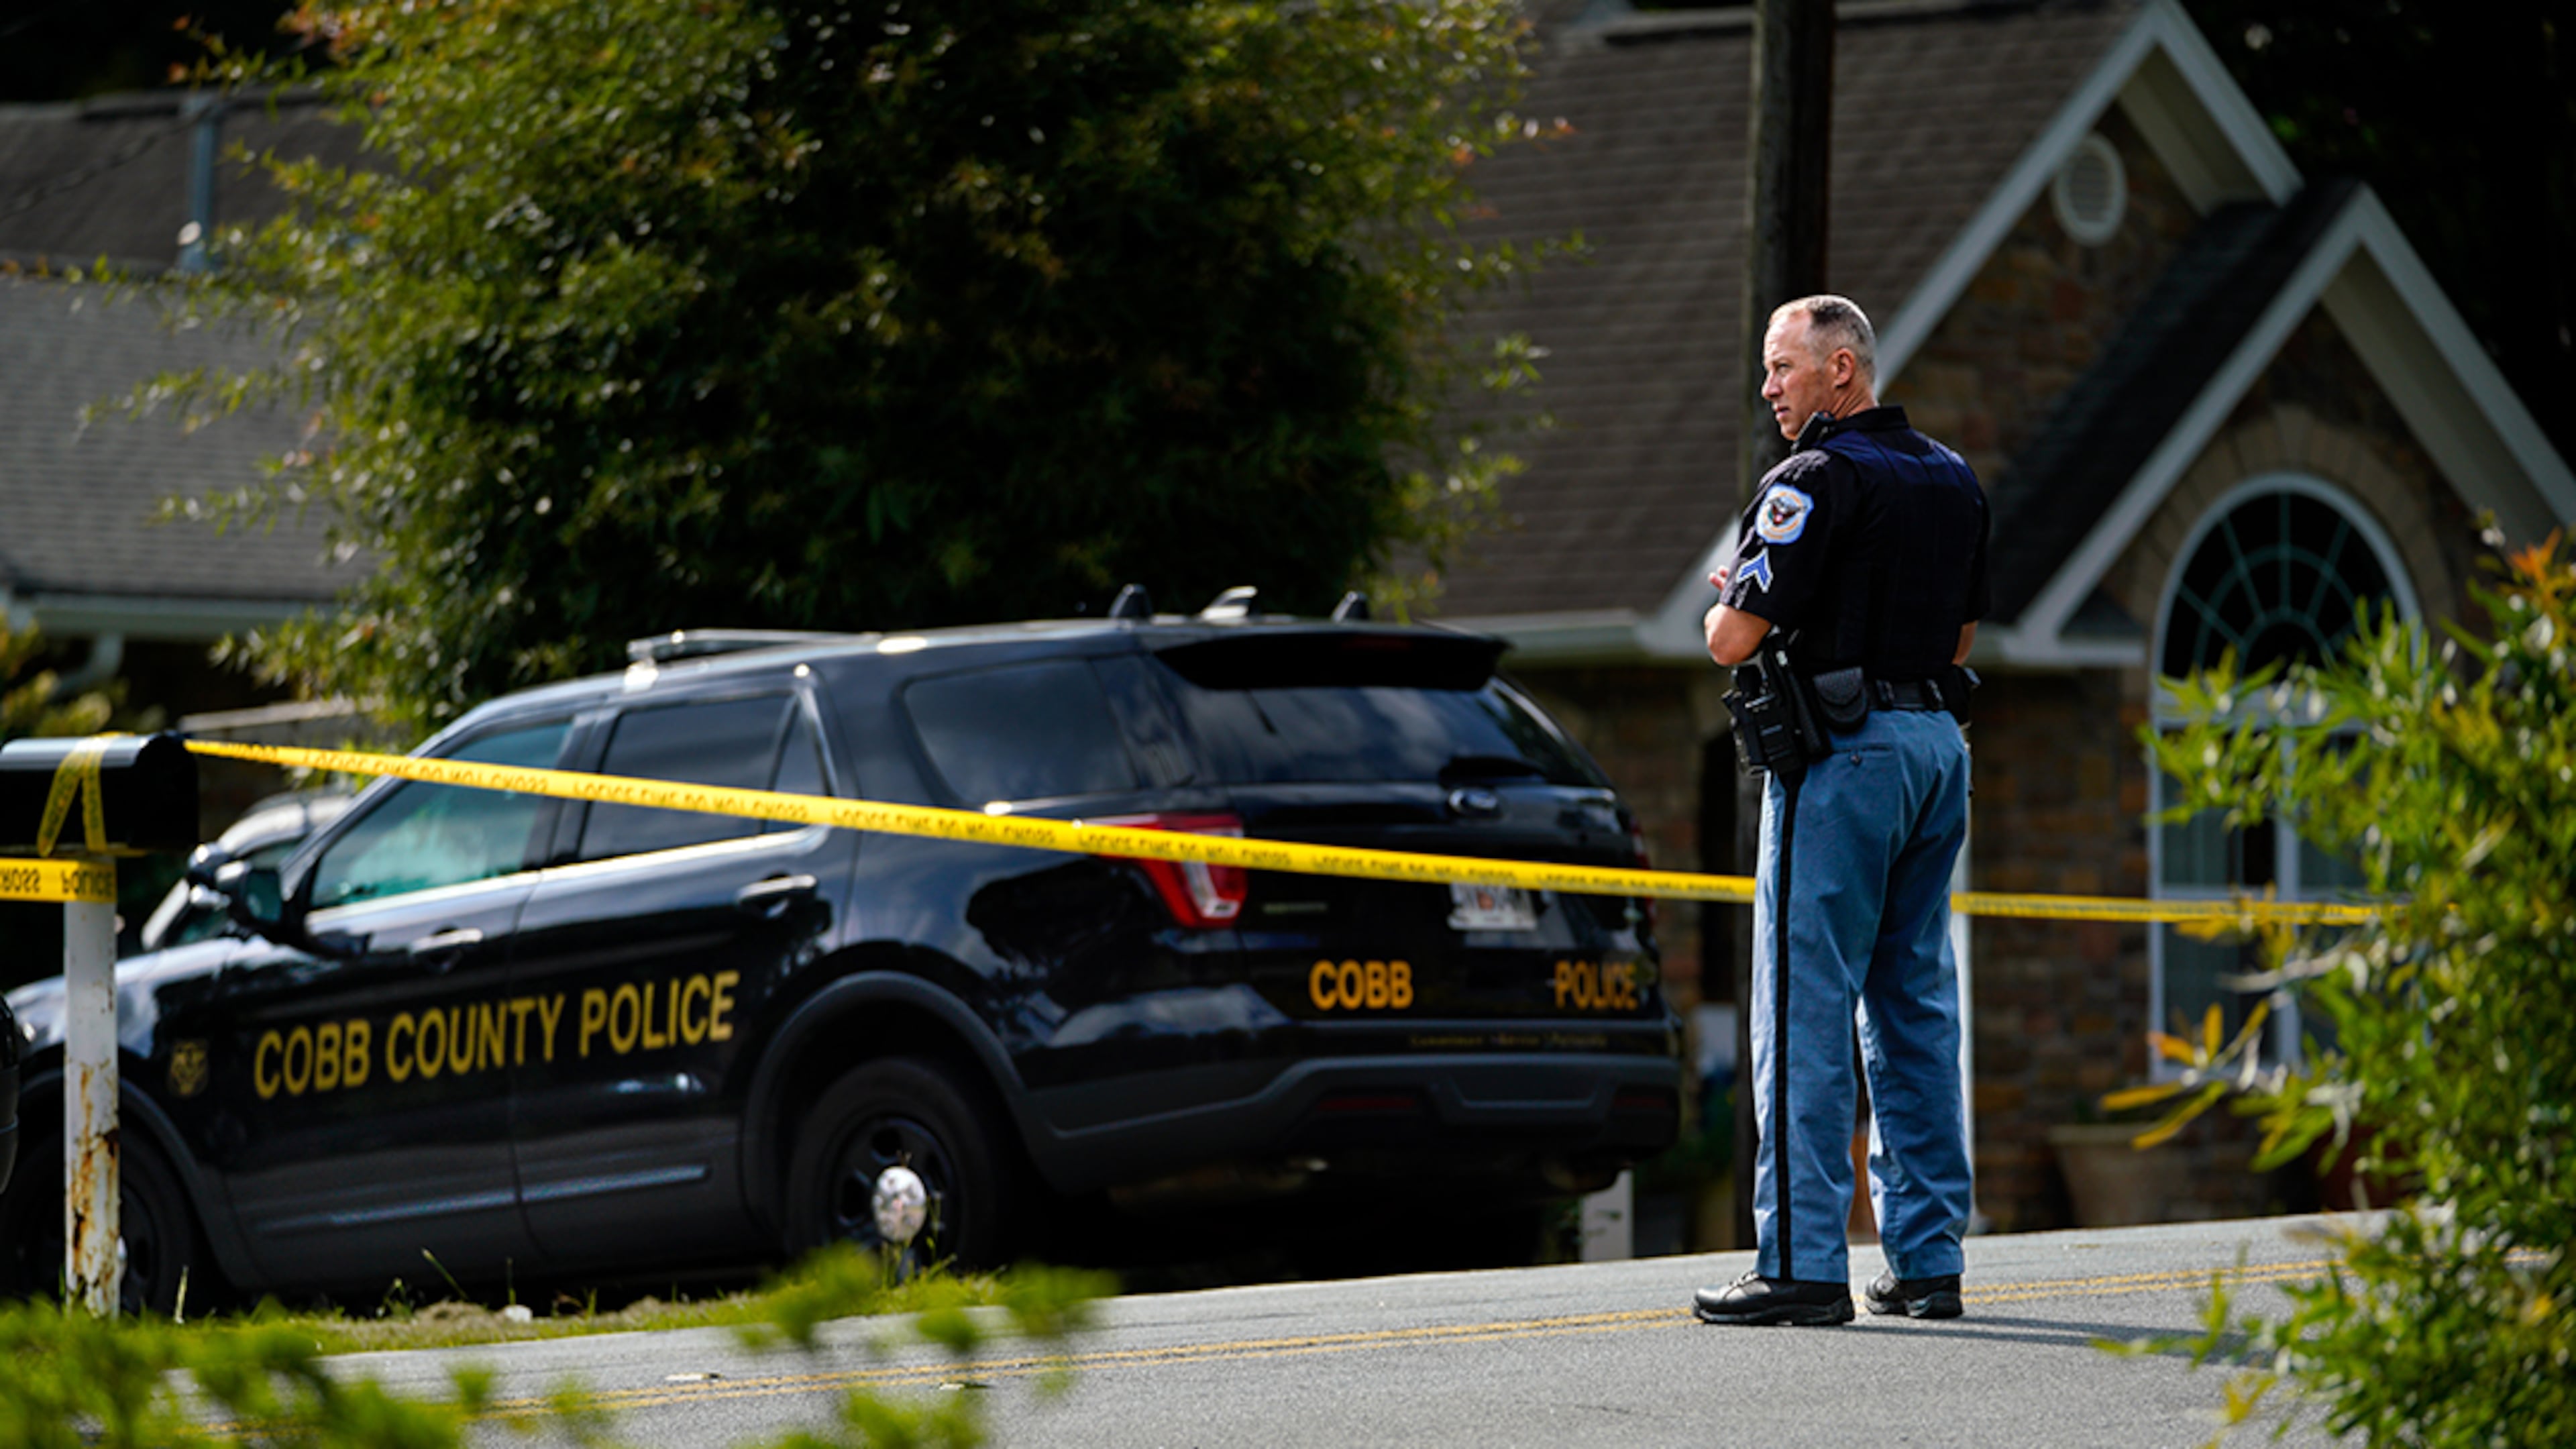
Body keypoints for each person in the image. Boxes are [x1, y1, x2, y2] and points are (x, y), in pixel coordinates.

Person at [1693, 294, 1988, 1327]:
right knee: (1914, 1002)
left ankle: (1802, 1264)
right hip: (1933, 752)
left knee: (1802, 1003)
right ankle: (1925, 1262)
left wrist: (1725, 599)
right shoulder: (1952, 480)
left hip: (1845, 760)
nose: (1770, 389)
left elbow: (1733, 640)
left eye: (1783, 367)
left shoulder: (1813, 478)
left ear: (1844, 370)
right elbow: (1955, 640)